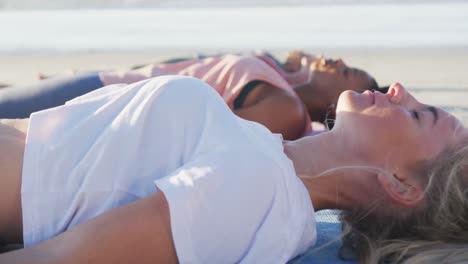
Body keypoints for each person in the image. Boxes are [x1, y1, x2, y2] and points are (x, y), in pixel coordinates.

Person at [0, 76, 466, 263]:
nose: (401, 88)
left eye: (419, 114)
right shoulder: (265, 160)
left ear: (400, 184)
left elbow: (60, 259)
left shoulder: (260, 189)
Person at [0, 51, 381, 140]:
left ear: (338, 104)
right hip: (104, 83)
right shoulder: (278, 75)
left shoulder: (284, 110)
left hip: (103, 103)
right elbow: (184, 66)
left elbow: (204, 143)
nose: (339, 60)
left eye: (349, 73)